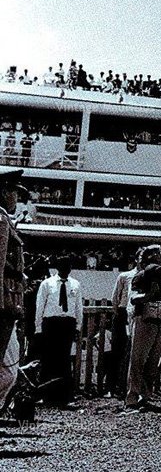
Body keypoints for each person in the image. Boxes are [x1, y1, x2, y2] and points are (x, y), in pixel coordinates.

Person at [125, 245, 161, 411]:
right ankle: (132, 397)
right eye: (158, 253)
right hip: (144, 319)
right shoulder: (141, 275)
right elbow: (133, 298)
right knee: (138, 360)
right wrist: (148, 296)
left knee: (153, 362)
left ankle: (145, 396)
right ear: (150, 256)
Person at [35, 256, 83, 408]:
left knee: (65, 360)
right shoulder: (47, 284)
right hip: (51, 323)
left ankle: (65, 397)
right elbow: (40, 305)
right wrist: (38, 328)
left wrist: (78, 327)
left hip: (67, 323)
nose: (66, 269)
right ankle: (45, 396)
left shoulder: (75, 284)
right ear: (57, 267)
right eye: (63, 266)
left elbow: (78, 306)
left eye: (68, 266)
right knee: (48, 359)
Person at [0, 168, 27, 409]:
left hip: (8, 299)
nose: (16, 198)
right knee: (6, 369)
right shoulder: (0, 220)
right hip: (4, 302)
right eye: (14, 192)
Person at [109, 248, 143, 398]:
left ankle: (129, 386)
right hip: (123, 314)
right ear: (136, 259)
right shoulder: (125, 276)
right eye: (141, 257)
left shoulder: (149, 277)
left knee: (133, 352)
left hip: (139, 314)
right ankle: (113, 386)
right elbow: (115, 298)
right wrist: (120, 316)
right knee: (118, 351)